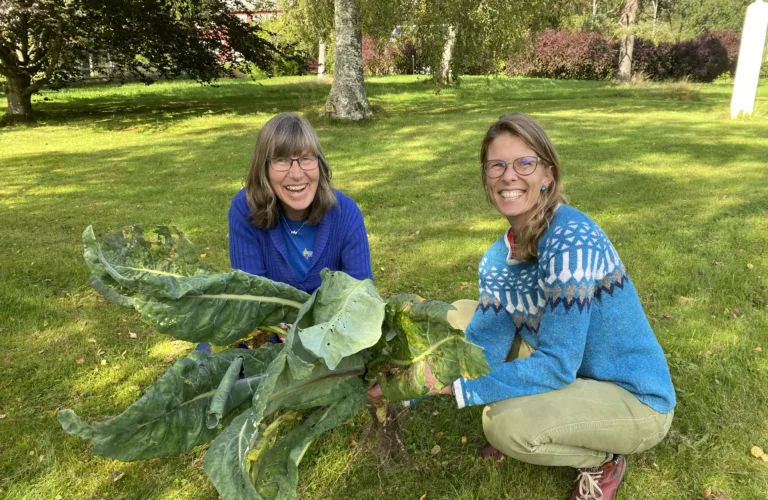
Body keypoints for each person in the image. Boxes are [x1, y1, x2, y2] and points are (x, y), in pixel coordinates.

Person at [371, 113, 675, 500]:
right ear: (486, 179)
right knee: (462, 314)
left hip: (633, 397)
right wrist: (406, 383)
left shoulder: (570, 242)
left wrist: (452, 388)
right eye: (496, 165)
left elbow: (557, 364)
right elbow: (485, 346)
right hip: (575, 371)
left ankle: (604, 459)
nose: (508, 176)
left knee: (504, 426)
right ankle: (546, 411)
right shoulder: (499, 258)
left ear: (548, 173)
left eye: (524, 163)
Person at [199, 113, 373, 352]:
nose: (296, 173)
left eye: (305, 159)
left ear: (319, 164)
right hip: (267, 338)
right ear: (264, 167)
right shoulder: (244, 210)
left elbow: (360, 301)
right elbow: (251, 301)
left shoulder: (345, 213)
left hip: (332, 341)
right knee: (205, 370)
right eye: (281, 160)